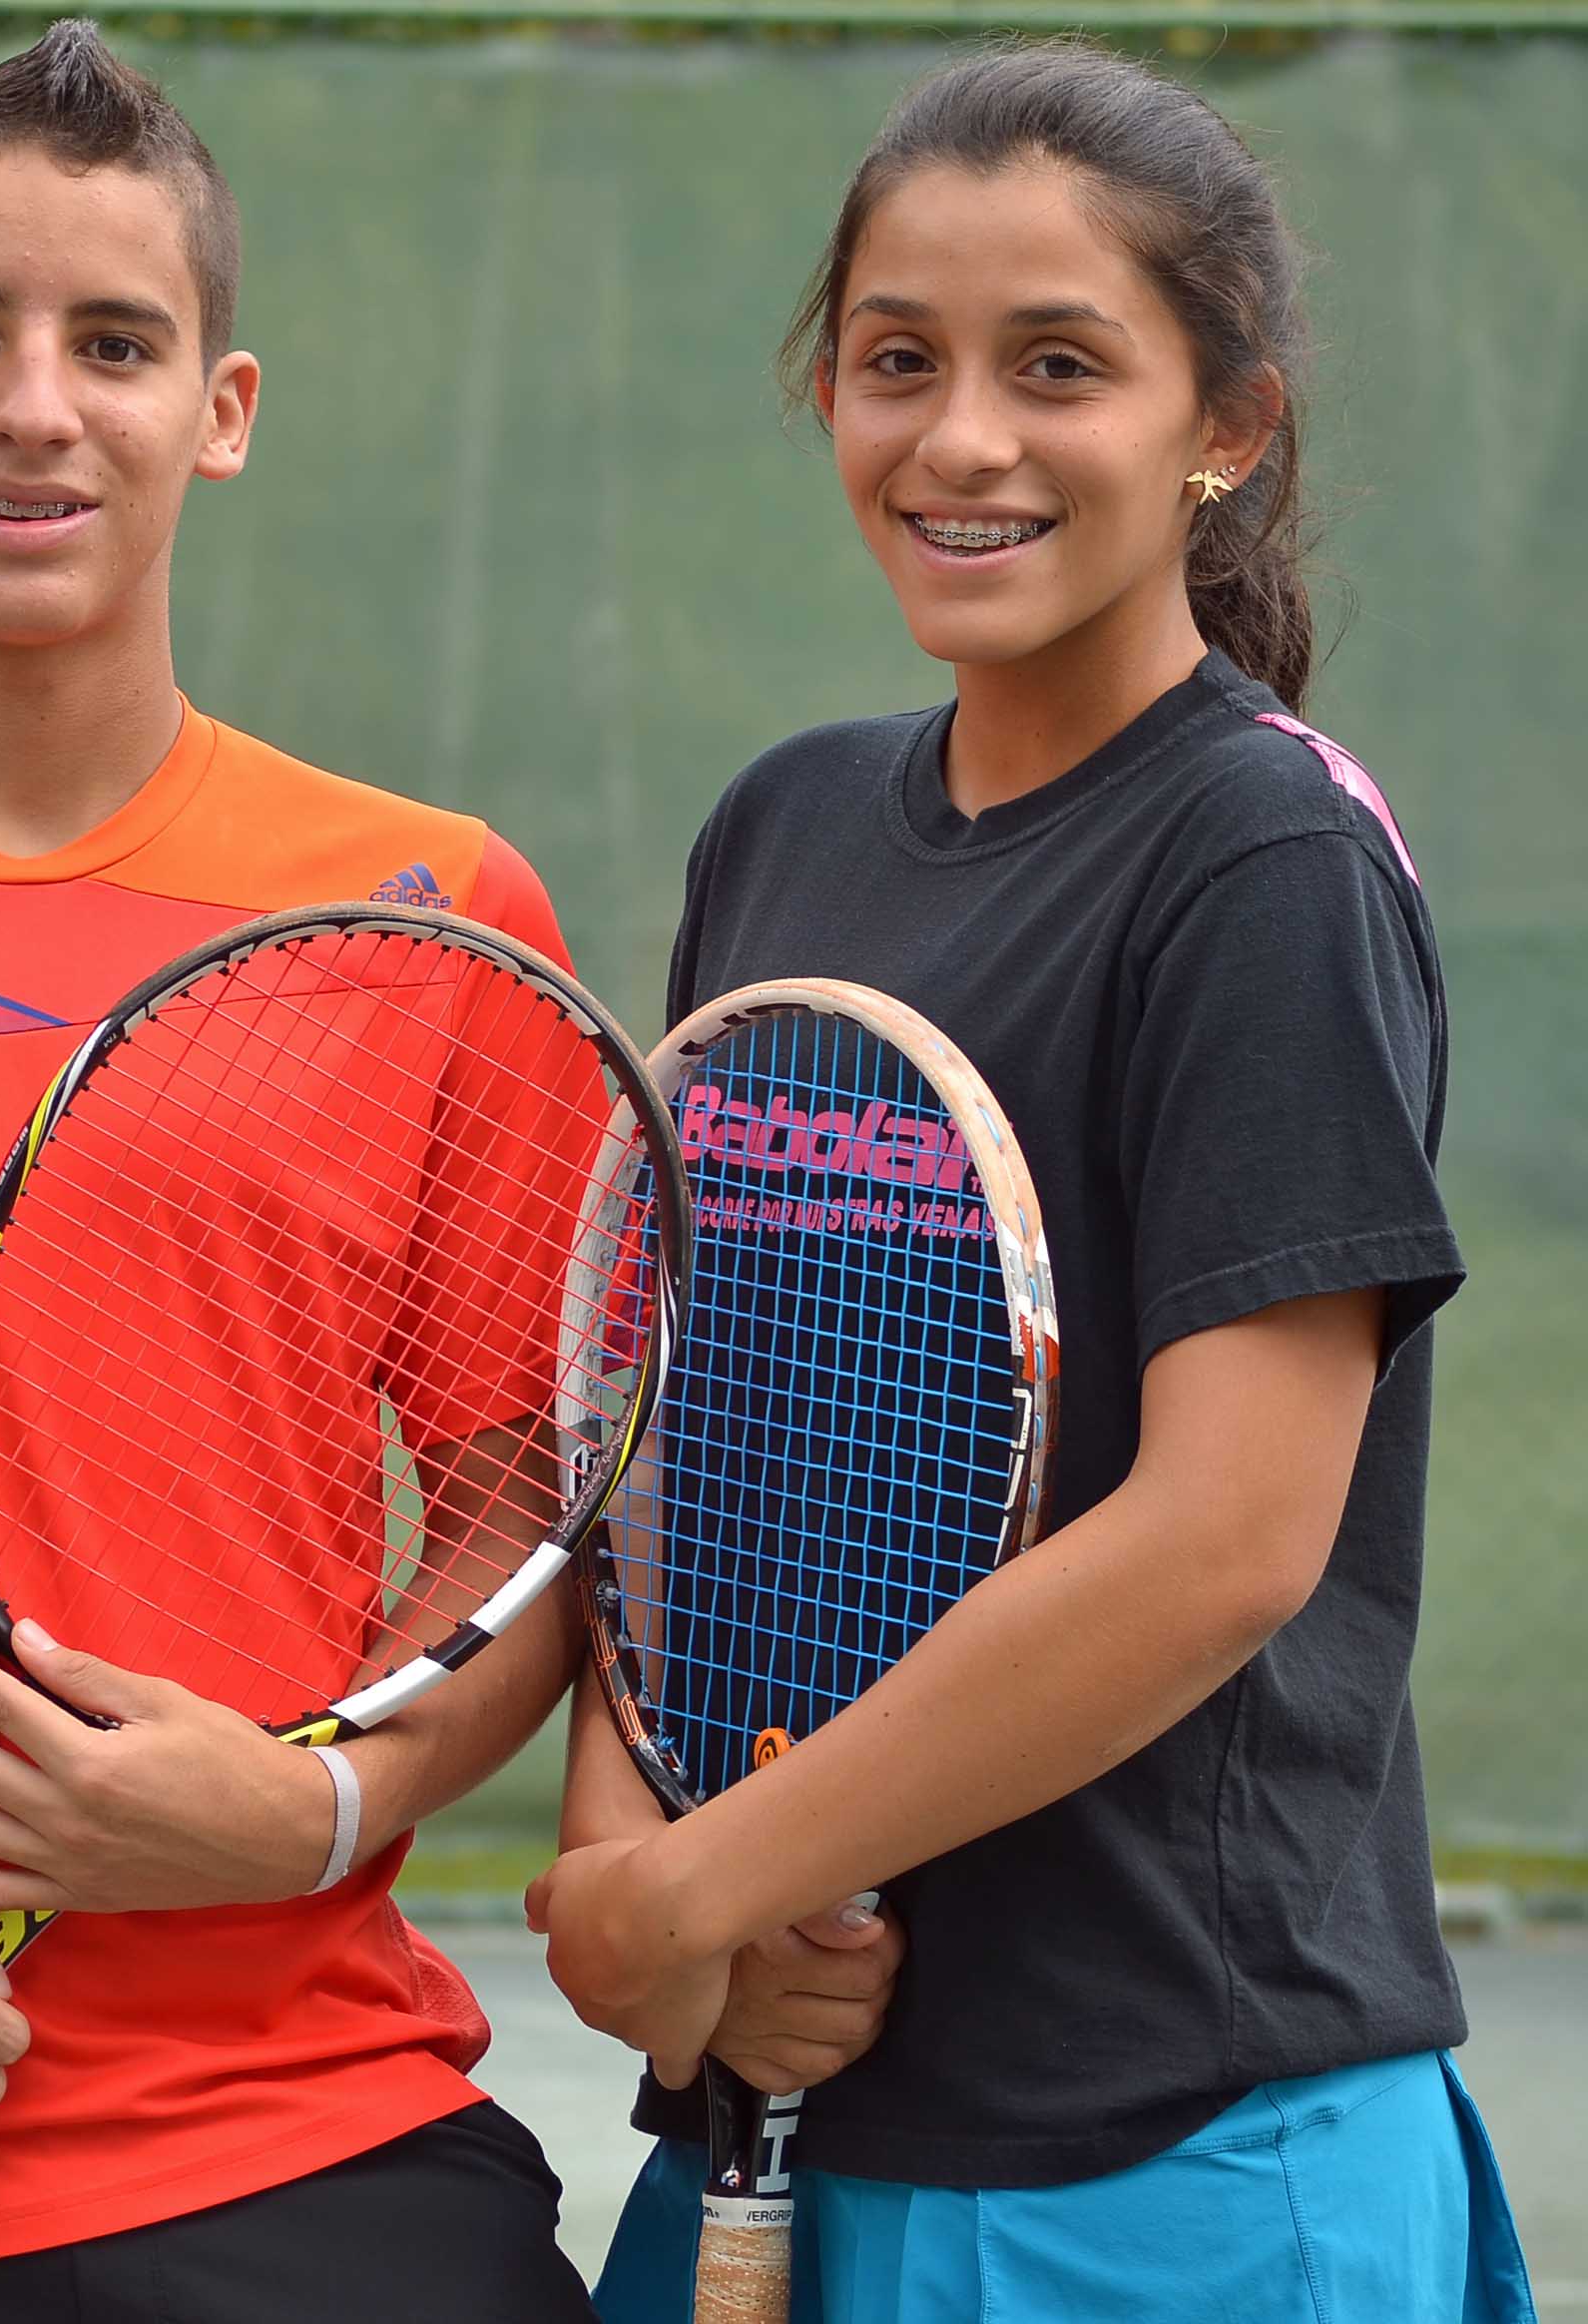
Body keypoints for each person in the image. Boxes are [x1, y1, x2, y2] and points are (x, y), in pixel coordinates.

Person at [0, 26, 892, 2320]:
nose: (34, 403)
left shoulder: (433, 913)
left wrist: (314, 1804)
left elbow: (538, 1510)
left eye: (112, 342)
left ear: (217, 412)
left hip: (318, 2145)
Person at [525, 44, 1537, 2324]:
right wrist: (637, 1876)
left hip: (1171, 2161)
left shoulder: (1260, 854)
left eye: (1055, 366)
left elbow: (1220, 1543)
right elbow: (679, 1418)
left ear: (1226, 428)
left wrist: (711, 1888)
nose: (959, 439)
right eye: (898, 362)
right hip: (788, 2115)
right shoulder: (779, 828)